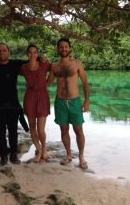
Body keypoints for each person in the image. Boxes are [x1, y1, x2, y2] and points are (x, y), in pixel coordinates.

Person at [47, 37, 90, 169]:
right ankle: (69, 154)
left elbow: (84, 83)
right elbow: (48, 83)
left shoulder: (77, 63)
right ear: (58, 49)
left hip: (75, 101)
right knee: (64, 129)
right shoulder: (54, 66)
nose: (63, 49)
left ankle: (81, 156)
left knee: (78, 129)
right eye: (61, 47)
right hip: (60, 102)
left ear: (70, 48)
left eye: (66, 46)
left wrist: (87, 100)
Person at [19, 44, 51, 162]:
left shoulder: (44, 65)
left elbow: (55, 68)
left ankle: (44, 149)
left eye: (35, 52)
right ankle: (38, 150)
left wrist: (49, 81)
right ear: (27, 54)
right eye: (30, 52)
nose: (32, 54)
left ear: (37, 54)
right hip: (30, 97)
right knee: (32, 127)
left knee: (41, 129)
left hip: (42, 96)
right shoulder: (23, 67)